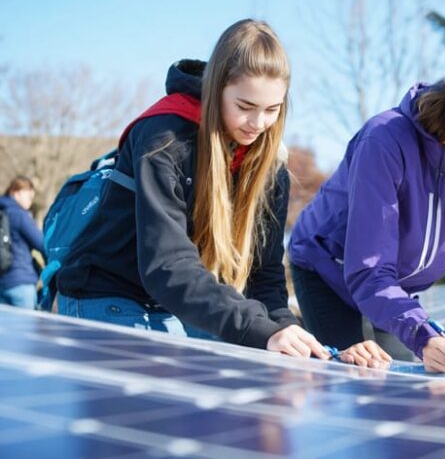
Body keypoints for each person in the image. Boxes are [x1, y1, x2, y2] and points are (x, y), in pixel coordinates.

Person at [56, 19, 387, 365]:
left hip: (181, 304)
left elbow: (265, 275)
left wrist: (289, 333)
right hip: (108, 292)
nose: (258, 124)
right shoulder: (164, 139)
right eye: (245, 107)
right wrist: (261, 330)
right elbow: (167, 265)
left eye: (272, 110)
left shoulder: (270, 163)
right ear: (216, 90)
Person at [288, 14, 445, 373]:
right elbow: (370, 268)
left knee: (401, 385)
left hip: (395, 291)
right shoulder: (386, 140)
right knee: (356, 379)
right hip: (331, 271)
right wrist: (423, 334)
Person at [0, 176, 44, 309]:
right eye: (28, 197)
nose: (30, 202)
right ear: (15, 192)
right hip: (21, 283)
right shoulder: (19, 215)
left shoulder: (2, 211)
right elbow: (42, 244)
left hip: (2, 283)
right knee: (27, 328)